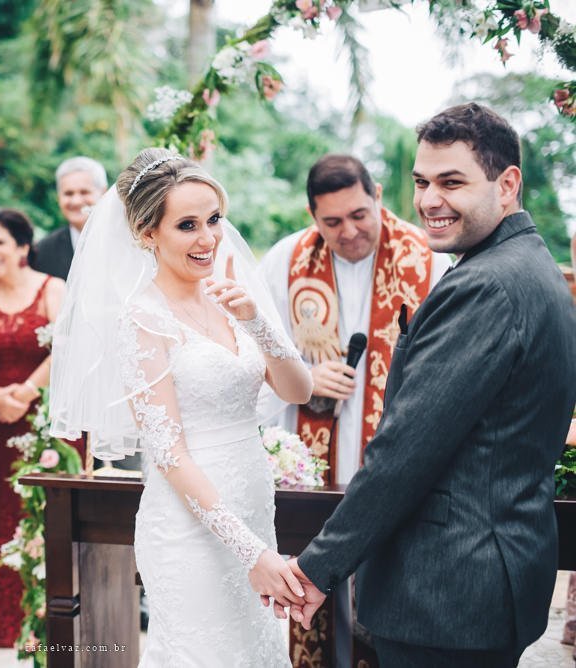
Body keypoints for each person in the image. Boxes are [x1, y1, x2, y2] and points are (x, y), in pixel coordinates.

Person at [280, 103, 576, 667]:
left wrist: (317, 568)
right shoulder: (531, 265)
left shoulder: (486, 286)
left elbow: (406, 451)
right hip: (487, 581)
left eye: (452, 182)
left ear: (507, 183)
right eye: (421, 182)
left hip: (448, 590)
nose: (429, 200)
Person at [49, 149, 314, 665]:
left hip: (255, 505)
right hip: (190, 527)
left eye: (214, 219)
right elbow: (171, 456)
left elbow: (298, 390)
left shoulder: (231, 296)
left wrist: (257, 320)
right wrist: (251, 553)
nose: (208, 238)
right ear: (148, 233)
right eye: (187, 225)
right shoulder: (141, 320)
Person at [259, 154, 451, 666]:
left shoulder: (429, 259)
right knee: (316, 604)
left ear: (379, 195)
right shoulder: (284, 262)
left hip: (395, 463)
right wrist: (301, 379)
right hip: (313, 466)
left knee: (383, 614)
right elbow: (249, 360)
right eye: (332, 221)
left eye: (359, 215)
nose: (348, 232)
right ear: (311, 215)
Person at [0, 208, 68, 647]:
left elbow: (65, 346)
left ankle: (48, 619)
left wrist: (24, 393)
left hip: (43, 415)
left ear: (23, 246)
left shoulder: (50, 289)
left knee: (43, 506)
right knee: (5, 502)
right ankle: (8, 620)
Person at [32, 156, 108, 280]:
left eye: (84, 192)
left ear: (104, 193)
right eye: (68, 193)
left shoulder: (129, 241)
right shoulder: (43, 251)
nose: (76, 201)